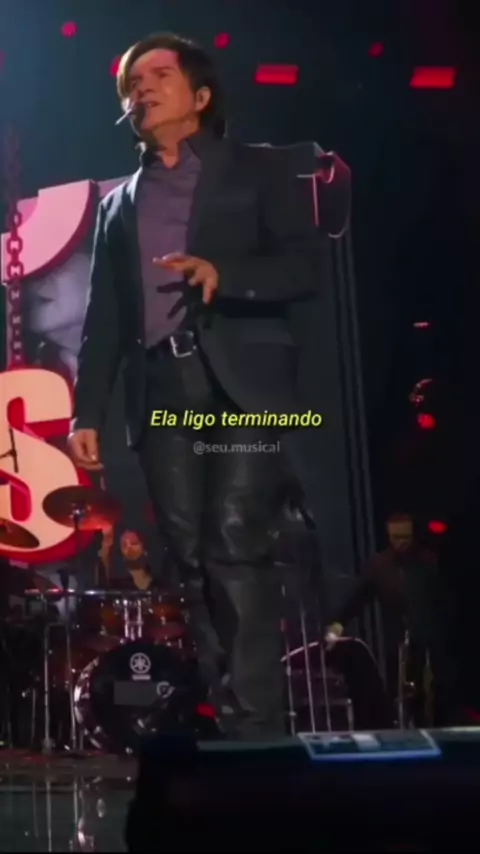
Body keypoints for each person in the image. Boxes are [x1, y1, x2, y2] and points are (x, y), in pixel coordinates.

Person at [67, 32, 322, 740]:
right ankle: (228, 717)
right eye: (131, 82)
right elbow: (104, 320)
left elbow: (305, 268)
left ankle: (259, 730)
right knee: (190, 557)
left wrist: (224, 275)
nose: (140, 88)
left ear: (201, 96)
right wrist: (87, 412)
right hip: (161, 391)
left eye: (158, 75)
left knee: (234, 540)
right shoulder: (118, 205)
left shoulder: (257, 170)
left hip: (244, 388)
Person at [326, 512, 455, 726]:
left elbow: (446, 601)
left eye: (406, 537)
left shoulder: (429, 561)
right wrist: (337, 625)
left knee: (435, 695)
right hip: (396, 643)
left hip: (430, 641)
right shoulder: (379, 565)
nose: (401, 543)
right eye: (396, 538)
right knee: (400, 695)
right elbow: (356, 598)